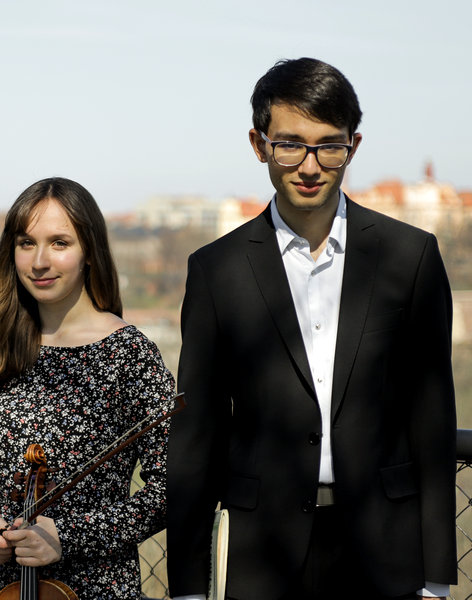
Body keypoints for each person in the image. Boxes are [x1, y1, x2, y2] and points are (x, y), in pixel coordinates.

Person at [168, 57, 456, 600]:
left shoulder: (410, 257)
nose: (309, 164)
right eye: (290, 143)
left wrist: (437, 579)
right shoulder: (215, 271)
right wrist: (188, 587)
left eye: (329, 145)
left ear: (354, 146)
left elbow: (434, 422)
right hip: (262, 555)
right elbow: (196, 437)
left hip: (385, 553)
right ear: (259, 145)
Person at [0, 177, 175, 599]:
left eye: (59, 243)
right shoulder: (0, 345)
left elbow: (168, 491)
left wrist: (67, 535)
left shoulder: (130, 354)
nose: (39, 261)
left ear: (89, 251)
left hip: (94, 586)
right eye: (26, 243)